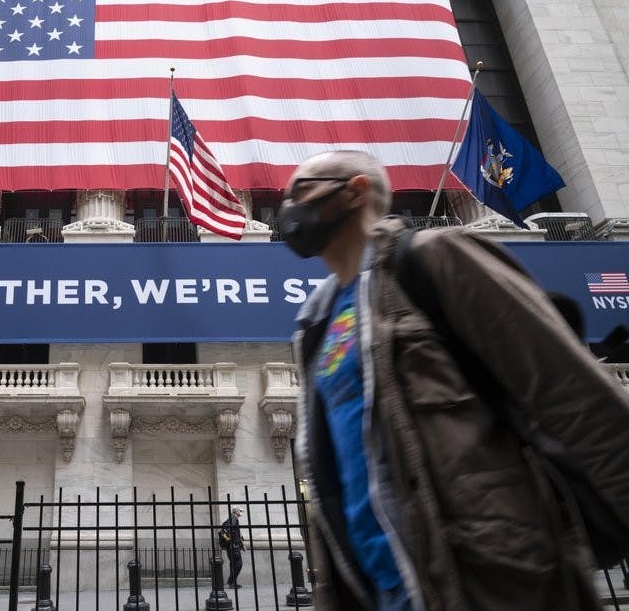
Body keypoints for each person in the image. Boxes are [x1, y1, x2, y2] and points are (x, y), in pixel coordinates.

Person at [278, 150, 629, 610]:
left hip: (493, 584)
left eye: (301, 190)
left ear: (354, 191)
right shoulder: (316, 328)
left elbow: (573, 396)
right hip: (386, 594)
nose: (287, 208)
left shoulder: (434, 258)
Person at [222, 506, 245, 588]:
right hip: (234, 547)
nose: (241, 513)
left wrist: (242, 545)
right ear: (236, 512)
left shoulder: (232, 519)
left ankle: (232, 583)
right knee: (238, 564)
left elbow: (236, 534)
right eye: (240, 511)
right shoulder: (233, 519)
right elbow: (231, 532)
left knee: (234, 564)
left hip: (232, 546)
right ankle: (231, 581)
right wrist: (233, 543)